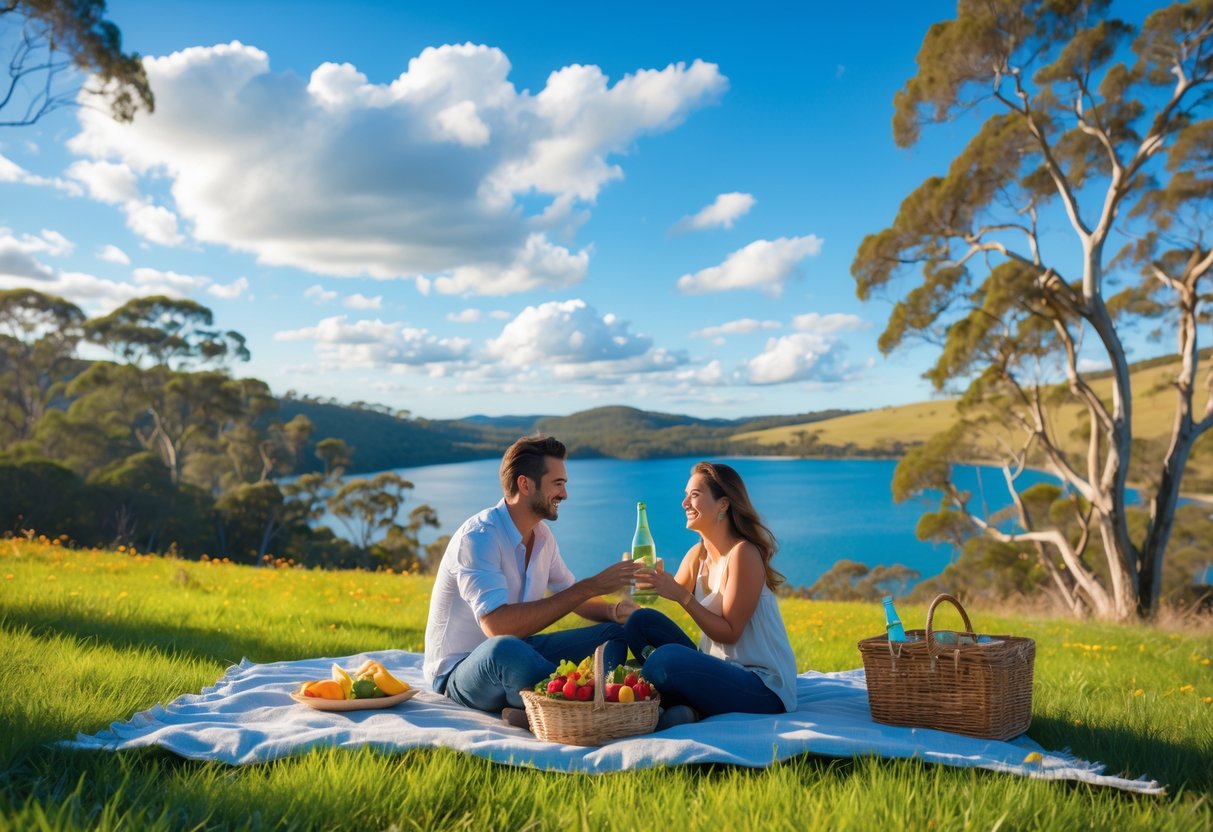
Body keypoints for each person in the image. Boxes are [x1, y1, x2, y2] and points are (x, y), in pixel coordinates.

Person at [423, 435, 639, 726]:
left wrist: (615, 612)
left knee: (615, 635)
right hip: (462, 671)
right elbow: (498, 627)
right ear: (525, 485)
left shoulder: (542, 537)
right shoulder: (479, 538)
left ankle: (549, 704)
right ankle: (579, 701)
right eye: (558, 484)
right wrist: (590, 585)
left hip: (523, 653)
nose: (565, 494)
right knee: (505, 649)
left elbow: (571, 593)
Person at [624, 461, 798, 723]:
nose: (684, 503)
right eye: (685, 495)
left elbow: (729, 633)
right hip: (719, 671)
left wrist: (683, 596)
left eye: (694, 495)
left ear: (723, 504)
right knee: (640, 622)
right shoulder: (698, 555)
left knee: (667, 660)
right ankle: (688, 704)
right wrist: (638, 578)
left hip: (761, 687)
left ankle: (681, 702)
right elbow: (660, 590)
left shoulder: (743, 554)